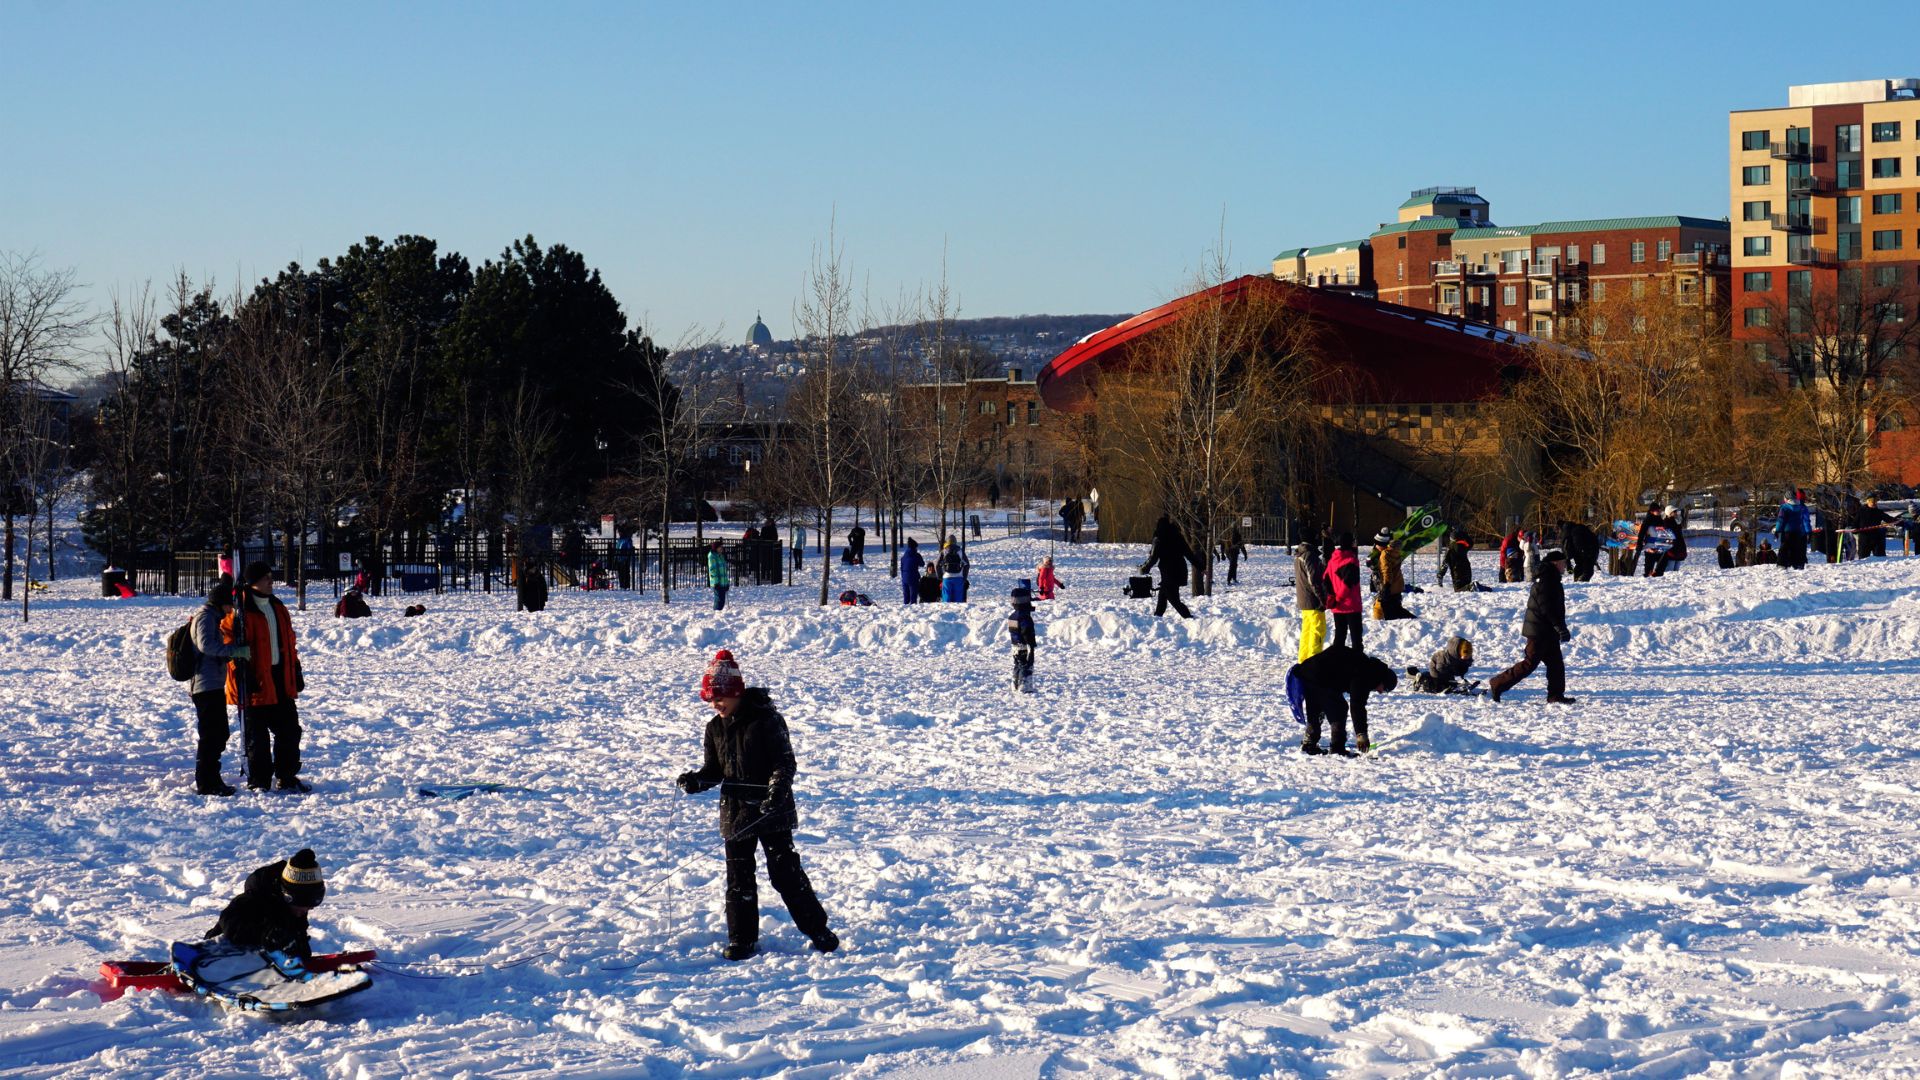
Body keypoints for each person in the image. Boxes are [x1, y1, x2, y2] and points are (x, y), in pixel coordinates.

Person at [676, 651, 838, 961]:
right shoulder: (714, 728)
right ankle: (742, 939)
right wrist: (697, 781)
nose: (714, 704)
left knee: (785, 874)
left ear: (736, 693)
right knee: (739, 880)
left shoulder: (767, 720)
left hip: (771, 812)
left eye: (720, 696)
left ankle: (818, 929)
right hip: (736, 815)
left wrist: (776, 791)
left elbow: (785, 762)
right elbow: (715, 770)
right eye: (710, 698)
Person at [225, 562, 309, 792]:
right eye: (265, 578)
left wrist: (296, 669)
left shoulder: (277, 606)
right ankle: (259, 780)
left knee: (289, 731)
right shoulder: (239, 610)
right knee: (257, 736)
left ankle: (286, 775)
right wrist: (240, 668)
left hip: (280, 677)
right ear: (253, 582)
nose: (271, 581)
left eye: (271, 577)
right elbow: (227, 643)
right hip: (254, 680)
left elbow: (289, 642)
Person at [1488, 548, 1574, 705]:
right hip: (1539, 631)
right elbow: (1546, 607)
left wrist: (1558, 627)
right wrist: (1559, 627)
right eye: (1563, 563)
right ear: (1555, 563)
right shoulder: (1547, 579)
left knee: (1556, 665)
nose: (1564, 566)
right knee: (1529, 664)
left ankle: (1555, 696)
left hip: (1547, 631)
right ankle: (1497, 683)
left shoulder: (1551, 578)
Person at [206, 849, 327, 958]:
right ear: (288, 897)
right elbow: (229, 922)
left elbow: (302, 952)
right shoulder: (256, 897)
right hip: (217, 959)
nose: (307, 909)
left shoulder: (294, 911)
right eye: (304, 904)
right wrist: (265, 935)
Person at [189, 582, 250, 796]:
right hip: (205, 686)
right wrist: (234, 651)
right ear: (221, 603)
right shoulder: (206, 617)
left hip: (212, 684)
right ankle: (207, 782)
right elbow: (206, 646)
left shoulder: (212, 618)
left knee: (218, 732)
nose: (231, 610)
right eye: (229, 605)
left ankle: (211, 779)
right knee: (212, 734)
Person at [1286, 644, 1396, 756]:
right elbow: (1357, 706)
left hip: (1308, 671)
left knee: (1316, 706)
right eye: (1385, 689)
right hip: (1320, 675)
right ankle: (1337, 748)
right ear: (1383, 680)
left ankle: (1309, 743)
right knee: (1339, 709)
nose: (1381, 692)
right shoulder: (1366, 674)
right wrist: (1361, 734)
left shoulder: (1368, 666)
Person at [1139, 515, 1194, 619]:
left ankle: (1189, 618)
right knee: (1163, 596)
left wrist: (1144, 569)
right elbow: (1189, 554)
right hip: (1180, 571)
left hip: (1169, 574)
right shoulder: (1178, 536)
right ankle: (1157, 617)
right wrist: (1201, 568)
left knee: (1174, 600)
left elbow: (1153, 558)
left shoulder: (1159, 538)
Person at [1323, 532, 1364, 651]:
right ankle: (1358, 665)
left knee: (1340, 636)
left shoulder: (1333, 559)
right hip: (1351, 604)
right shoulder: (1352, 560)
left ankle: (1337, 663)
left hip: (1338, 606)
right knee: (1356, 638)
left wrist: (1332, 596)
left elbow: (1325, 579)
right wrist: (1339, 598)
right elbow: (1348, 583)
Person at [1292, 541, 1328, 662]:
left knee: (1307, 632)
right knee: (1317, 632)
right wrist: (1323, 599)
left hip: (1305, 600)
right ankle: (1313, 662)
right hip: (1313, 601)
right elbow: (1314, 580)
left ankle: (1303, 661)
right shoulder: (1310, 556)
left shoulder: (1299, 555)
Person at [1370, 530, 1414, 620]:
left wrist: (1386, 586)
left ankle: (1413, 620)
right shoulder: (1394, 551)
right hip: (1397, 584)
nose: (1375, 546)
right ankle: (1412, 619)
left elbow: (1386, 571)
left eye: (1377, 544)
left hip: (1390, 586)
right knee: (1396, 608)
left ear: (1382, 544)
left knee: (1391, 612)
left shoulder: (1384, 555)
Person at [1409, 635, 1474, 694]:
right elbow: (1440, 669)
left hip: (1448, 671)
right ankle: (1421, 677)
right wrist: (1449, 675)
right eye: (1465, 657)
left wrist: (1464, 667)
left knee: (1450, 684)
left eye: (1467, 657)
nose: (1466, 658)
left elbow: (1461, 668)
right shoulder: (1445, 657)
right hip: (1436, 668)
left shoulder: (1463, 656)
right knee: (1435, 687)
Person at [1006, 580, 1037, 693]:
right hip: (1025, 645)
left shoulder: (1012, 616)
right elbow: (1027, 632)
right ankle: (1025, 685)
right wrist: (1031, 645)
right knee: (1026, 665)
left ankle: (1015, 684)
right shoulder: (1025, 617)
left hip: (1015, 645)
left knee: (1017, 664)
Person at [1777, 490, 1811, 570]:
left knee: (1784, 548)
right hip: (1798, 532)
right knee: (1797, 548)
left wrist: (1778, 529)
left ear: (1786, 498)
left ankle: (1782, 564)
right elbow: (1806, 520)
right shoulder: (1801, 507)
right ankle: (1797, 564)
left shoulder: (1784, 507)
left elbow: (1780, 520)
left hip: (1787, 531)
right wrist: (1808, 531)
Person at [939, 538, 968, 603]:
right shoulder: (960, 551)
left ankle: (947, 612)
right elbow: (967, 564)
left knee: (946, 598)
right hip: (958, 577)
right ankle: (958, 612)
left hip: (946, 577)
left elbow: (937, 564)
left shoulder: (944, 551)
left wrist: (940, 576)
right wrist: (964, 577)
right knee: (958, 600)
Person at [899, 538, 925, 605]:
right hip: (913, 578)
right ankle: (913, 612)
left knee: (906, 598)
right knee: (913, 598)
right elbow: (922, 564)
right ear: (915, 547)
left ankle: (904, 612)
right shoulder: (916, 555)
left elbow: (901, 568)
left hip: (904, 578)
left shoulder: (904, 556)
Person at [708, 540, 731, 611]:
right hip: (718, 582)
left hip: (723, 582)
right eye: (720, 547)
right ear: (716, 548)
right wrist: (716, 582)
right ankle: (716, 614)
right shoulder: (712, 556)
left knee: (721, 600)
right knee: (719, 600)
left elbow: (724, 571)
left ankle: (717, 614)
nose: (722, 548)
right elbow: (713, 570)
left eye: (722, 547)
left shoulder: (720, 556)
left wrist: (726, 583)